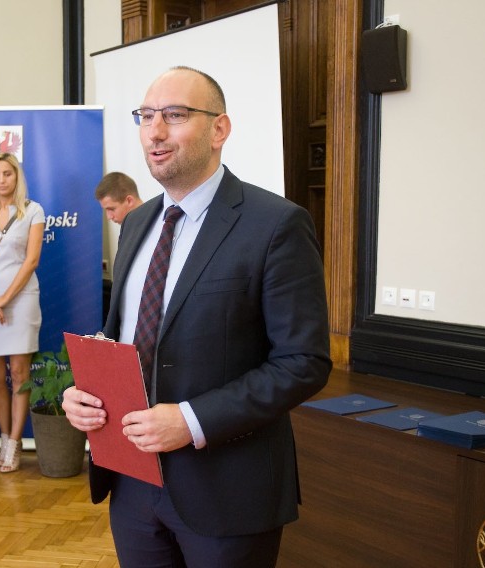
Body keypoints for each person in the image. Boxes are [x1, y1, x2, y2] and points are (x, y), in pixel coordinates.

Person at [62, 66, 332, 567]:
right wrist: (86, 392)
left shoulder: (275, 225)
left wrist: (191, 421)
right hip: (132, 482)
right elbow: (128, 332)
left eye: (175, 116)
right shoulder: (138, 221)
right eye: (145, 117)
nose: (155, 132)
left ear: (219, 129)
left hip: (228, 490)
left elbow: (304, 362)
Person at [0, 153, 45, 473]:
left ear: (17, 177)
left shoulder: (33, 210)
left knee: (19, 374)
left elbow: (31, 261)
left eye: (7, 173)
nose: (2, 179)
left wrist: (4, 300)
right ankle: (3, 436)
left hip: (22, 298)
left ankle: (14, 444)